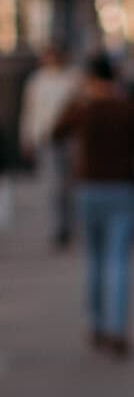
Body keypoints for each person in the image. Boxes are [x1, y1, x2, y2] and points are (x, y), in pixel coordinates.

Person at [57, 52, 134, 356]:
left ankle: (96, 323)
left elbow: (54, 132)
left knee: (95, 260)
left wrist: (75, 98)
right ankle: (117, 327)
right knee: (118, 261)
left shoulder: (84, 108)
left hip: (89, 189)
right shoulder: (128, 108)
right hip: (123, 189)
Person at [19, 45, 81, 247]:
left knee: (71, 183)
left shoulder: (72, 78)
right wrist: (27, 136)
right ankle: (58, 227)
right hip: (47, 137)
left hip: (71, 136)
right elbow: (30, 111)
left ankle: (72, 225)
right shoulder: (37, 81)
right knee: (54, 185)